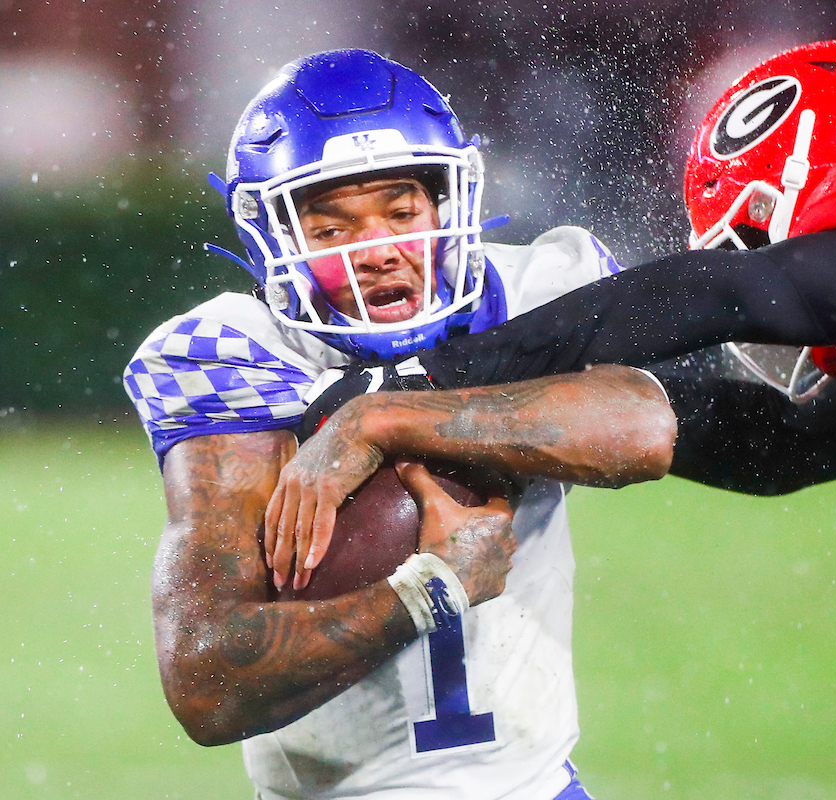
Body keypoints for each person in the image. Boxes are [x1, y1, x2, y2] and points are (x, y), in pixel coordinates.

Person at [274, 40, 836, 800]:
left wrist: (420, 379)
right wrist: (592, 412)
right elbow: (787, 445)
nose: (758, 253)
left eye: (755, 230)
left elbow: (737, 292)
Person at [123, 48, 686, 800]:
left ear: (446, 200)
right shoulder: (237, 353)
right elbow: (207, 680)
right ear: (275, 239)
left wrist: (380, 417)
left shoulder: (533, 288)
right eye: (332, 230)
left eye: (401, 210)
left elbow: (641, 431)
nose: (381, 251)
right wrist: (434, 587)